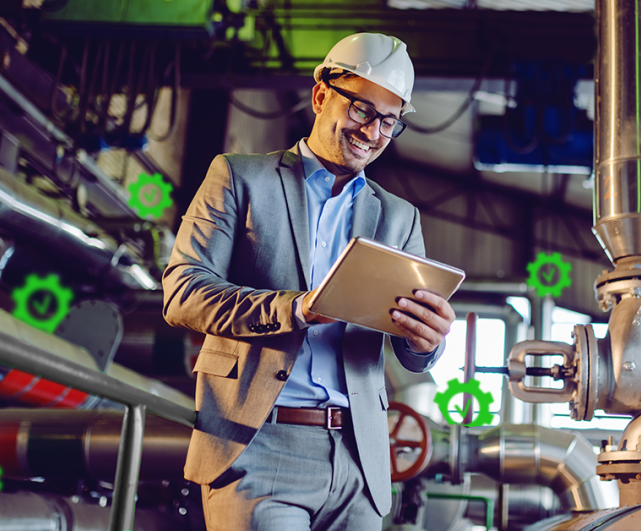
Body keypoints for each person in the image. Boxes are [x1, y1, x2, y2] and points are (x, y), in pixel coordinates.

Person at [162, 33, 455, 531]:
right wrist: (297, 309)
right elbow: (183, 293)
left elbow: (408, 351)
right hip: (258, 444)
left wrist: (426, 342)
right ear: (321, 96)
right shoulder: (239, 178)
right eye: (362, 110)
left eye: (389, 121)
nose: (373, 132)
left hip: (359, 458)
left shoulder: (399, 218)